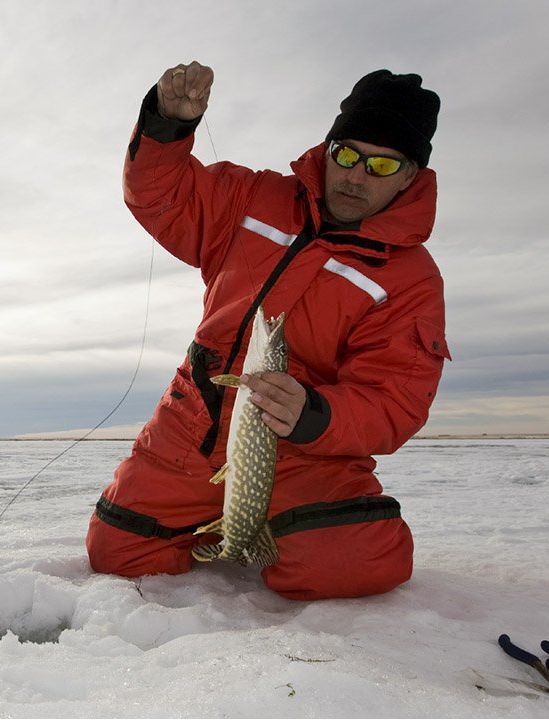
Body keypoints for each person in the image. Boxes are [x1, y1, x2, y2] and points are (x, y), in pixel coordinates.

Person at [86, 62, 450, 601]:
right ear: (327, 150)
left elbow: (395, 400)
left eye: (381, 164)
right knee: (117, 553)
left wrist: (313, 414)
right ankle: (221, 526)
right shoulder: (251, 197)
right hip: (195, 419)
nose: (355, 176)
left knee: (358, 562)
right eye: (346, 155)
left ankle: (273, 527)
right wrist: (167, 125)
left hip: (305, 451)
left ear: (410, 175)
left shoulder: (410, 280)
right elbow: (160, 196)